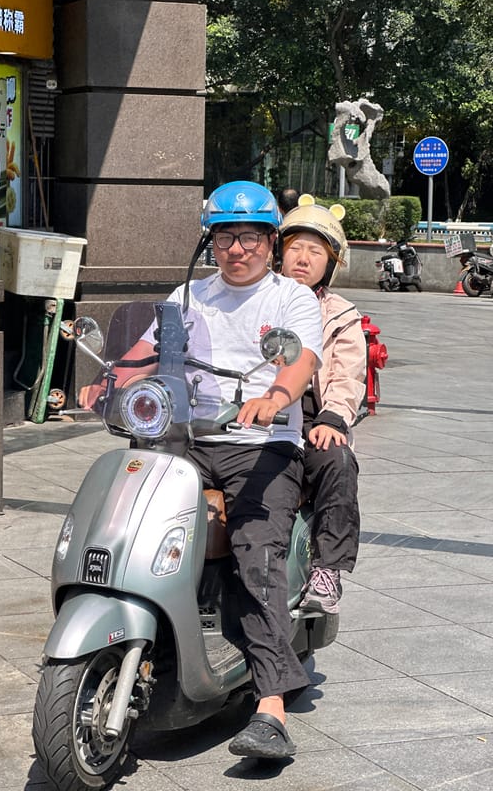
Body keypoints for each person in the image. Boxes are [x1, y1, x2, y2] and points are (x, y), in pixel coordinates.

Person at [79, 181, 323, 760]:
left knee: (253, 549)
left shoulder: (290, 299)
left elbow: (298, 361)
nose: (237, 249)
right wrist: (109, 383)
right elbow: (142, 354)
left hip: (259, 442)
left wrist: (276, 397)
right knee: (131, 518)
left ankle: (271, 709)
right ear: (208, 241)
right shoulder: (188, 296)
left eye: (249, 237)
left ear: (270, 241)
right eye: (224, 237)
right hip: (186, 436)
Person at [277, 195, 366, 615]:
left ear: (329, 264)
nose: (303, 258)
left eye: (316, 251)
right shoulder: (259, 297)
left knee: (338, 462)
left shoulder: (340, 314)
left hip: (311, 418)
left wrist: (332, 417)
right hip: (248, 414)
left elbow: (347, 374)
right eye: (295, 247)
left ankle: (327, 568)